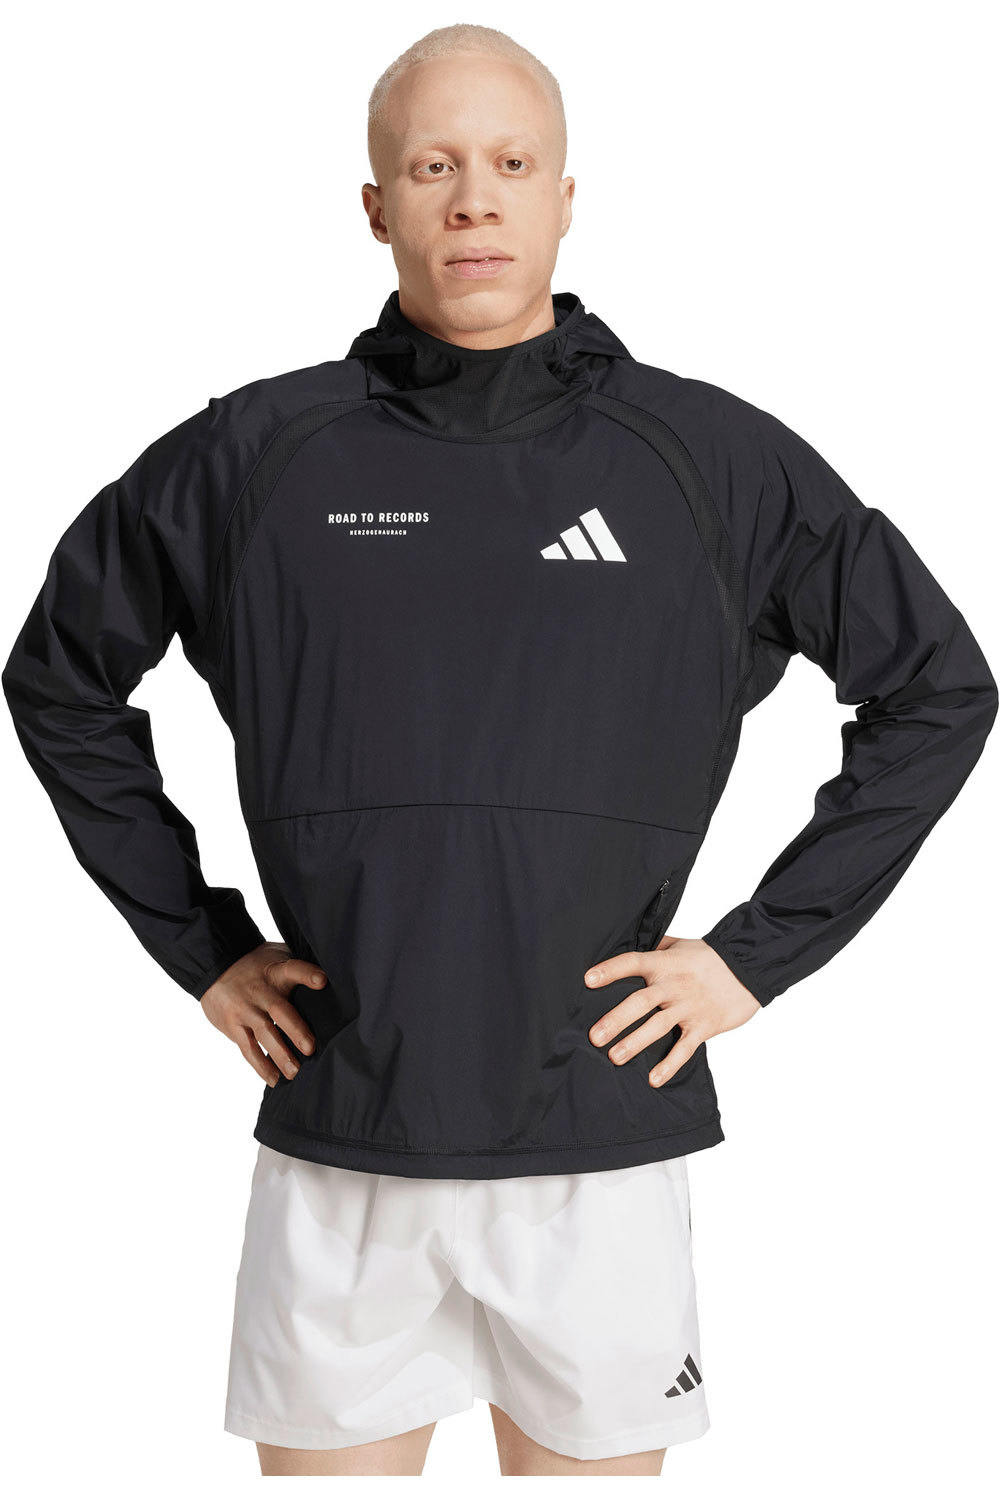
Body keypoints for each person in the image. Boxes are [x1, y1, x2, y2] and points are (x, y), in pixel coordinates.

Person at [3, 21, 996, 1480]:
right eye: (434, 166)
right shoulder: (253, 457)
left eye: (512, 164)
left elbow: (939, 689)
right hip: (344, 1135)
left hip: (597, 1138)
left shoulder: (709, 460)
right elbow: (60, 679)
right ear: (376, 205)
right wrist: (201, 947)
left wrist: (755, 958)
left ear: (566, 198)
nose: (475, 198)